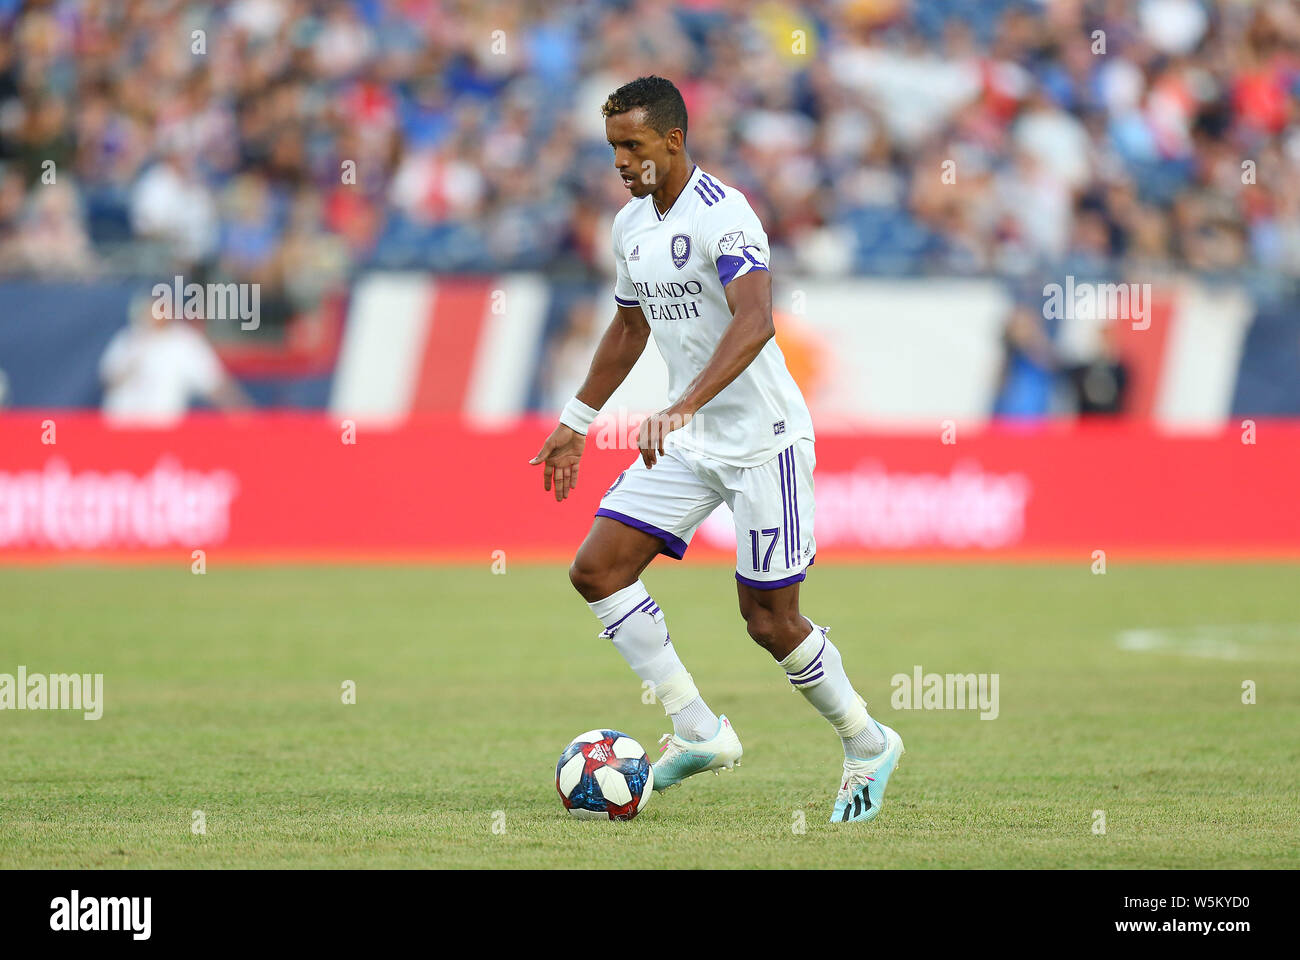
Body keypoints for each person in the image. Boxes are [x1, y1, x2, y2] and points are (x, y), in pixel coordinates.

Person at [530, 76, 903, 823]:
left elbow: (756, 318)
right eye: (612, 148)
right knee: (597, 569)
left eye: (632, 146)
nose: (621, 161)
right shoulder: (630, 227)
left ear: (673, 140)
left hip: (764, 442)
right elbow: (630, 329)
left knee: (769, 622)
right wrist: (576, 419)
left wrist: (680, 405)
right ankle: (699, 731)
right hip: (692, 438)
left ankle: (866, 740)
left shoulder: (724, 215)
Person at [100, 293, 249, 425]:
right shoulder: (128, 339)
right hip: (121, 429)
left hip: (162, 430)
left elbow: (215, 384)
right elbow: (108, 379)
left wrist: (244, 417)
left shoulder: (185, 342)